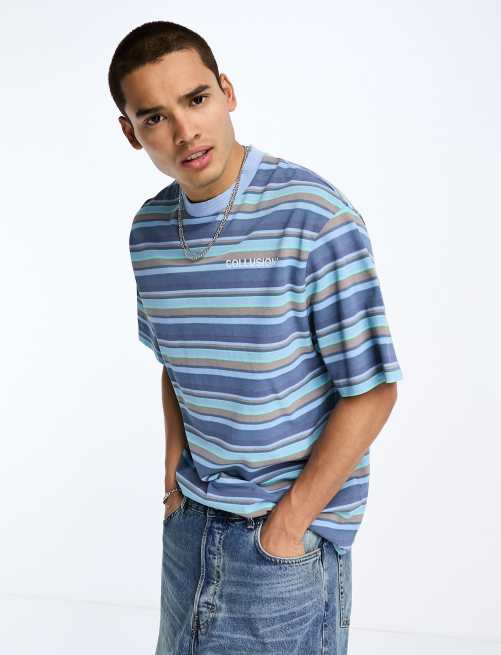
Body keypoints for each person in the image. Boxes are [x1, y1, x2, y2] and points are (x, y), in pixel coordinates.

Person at [108, 20, 403, 655]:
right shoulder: (149, 233)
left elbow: (373, 391)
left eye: (196, 99)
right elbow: (175, 365)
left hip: (283, 548)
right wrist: (174, 484)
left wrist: (288, 526)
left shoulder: (314, 216)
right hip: (190, 529)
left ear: (227, 91)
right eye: (155, 117)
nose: (185, 131)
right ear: (131, 132)